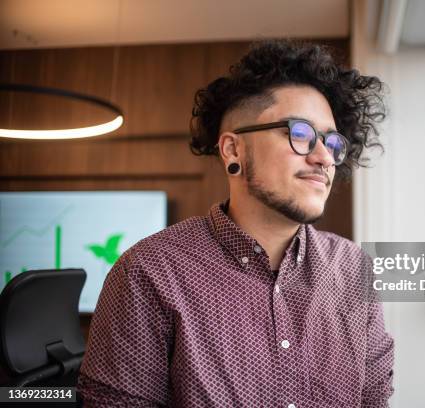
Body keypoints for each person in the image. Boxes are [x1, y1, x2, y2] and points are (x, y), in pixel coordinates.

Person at [77, 39, 394, 407]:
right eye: (301, 134)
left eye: (332, 142)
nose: (325, 158)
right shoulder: (148, 274)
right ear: (233, 150)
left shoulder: (355, 271)